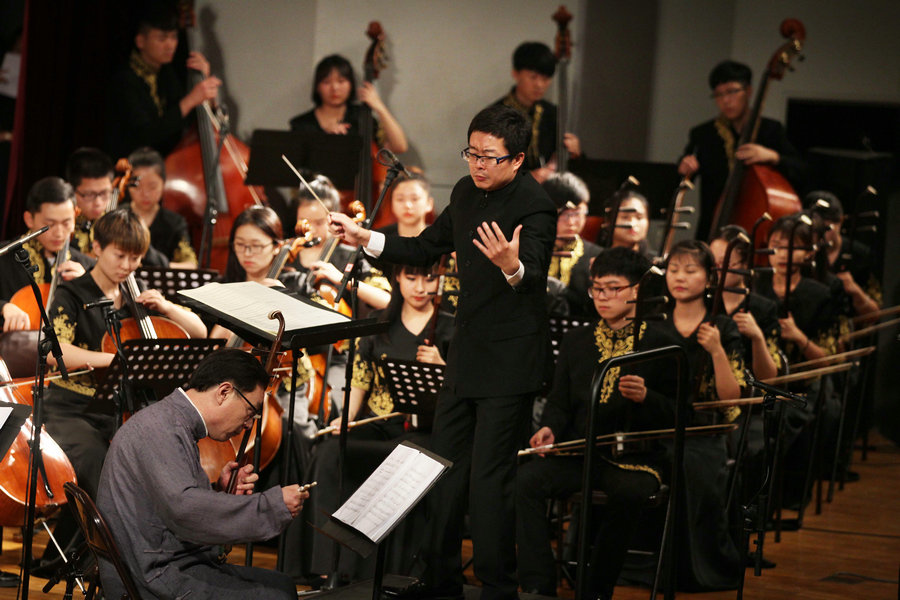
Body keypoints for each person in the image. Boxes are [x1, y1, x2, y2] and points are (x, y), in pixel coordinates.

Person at [329, 104, 556, 600]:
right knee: (440, 472)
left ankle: (498, 587)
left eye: (489, 157)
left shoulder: (536, 204)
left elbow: (532, 275)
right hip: (469, 355)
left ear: (516, 160)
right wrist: (367, 238)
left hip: (511, 364)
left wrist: (512, 265)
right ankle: (441, 582)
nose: (477, 164)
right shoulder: (464, 192)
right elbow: (425, 246)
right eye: (471, 152)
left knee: (489, 483)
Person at [517, 247, 677, 600]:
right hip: (580, 452)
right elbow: (559, 401)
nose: (603, 298)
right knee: (525, 481)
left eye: (613, 288)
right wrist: (551, 429)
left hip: (633, 456)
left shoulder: (662, 343)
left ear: (636, 290)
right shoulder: (577, 339)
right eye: (597, 289)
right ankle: (538, 584)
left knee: (631, 491)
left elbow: (681, 413)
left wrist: (647, 397)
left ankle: (596, 589)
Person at [96, 348, 308, 599]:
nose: (249, 424)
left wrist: (220, 490)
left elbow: (169, 500)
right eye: (250, 411)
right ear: (224, 392)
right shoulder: (161, 428)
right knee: (277, 596)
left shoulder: (170, 420)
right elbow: (184, 510)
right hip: (152, 576)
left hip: (159, 559)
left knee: (283, 584)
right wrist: (271, 505)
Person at [306, 262, 454, 582]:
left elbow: (461, 394)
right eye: (411, 277)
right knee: (331, 450)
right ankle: (329, 565)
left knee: (406, 454)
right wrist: (343, 419)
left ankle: (385, 570)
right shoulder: (377, 324)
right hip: (376, 421)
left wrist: (442, 367)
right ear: (398, 278)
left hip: (424, 431)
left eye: (428, 279)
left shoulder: (450, 327)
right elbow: (359, 384)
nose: (419, 287)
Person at [661, 240, 745, 591]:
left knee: (691, 466)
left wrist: (716, 351)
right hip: (658, 427)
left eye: (691, 270)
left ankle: (699, 568)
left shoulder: (722, 327)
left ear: (709, 278)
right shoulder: (655, 323)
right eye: (674, 269)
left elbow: (733, 397)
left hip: (704, 432)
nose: (680, 277)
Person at [677, 60, 805, 239]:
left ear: (749, 91)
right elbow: (680, 180)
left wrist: (773, 156)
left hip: (755, 231)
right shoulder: (703, 134)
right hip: (712, 228)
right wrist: (684, 168)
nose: (726, 100)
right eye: (719, 95)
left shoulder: (770, 130)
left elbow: (801, 170)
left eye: (732, 91)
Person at [105, 5, 222, 159]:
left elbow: (188, 122)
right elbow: (146, 135)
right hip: (131, 168)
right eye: (162, 38)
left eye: (174, 37)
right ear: (140, 41)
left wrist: (209, 93)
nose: (170, 45)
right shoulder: (124, 80)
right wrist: (191, 99)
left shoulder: (167, 74)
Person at [0, 177, 93, 331]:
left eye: (66, 222)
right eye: (49, 225)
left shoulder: (86, 265)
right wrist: (3, 307)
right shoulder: (4, 257)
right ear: (29, 219)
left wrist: (87, 285)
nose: (59, 233)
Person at [492, 42, 582, 182]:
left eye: (545, 79)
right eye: (533, 77)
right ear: (515, 73)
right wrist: (529, 178)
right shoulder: (496, 114)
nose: (540, 85)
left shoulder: (552, 113)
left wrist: (575, 154)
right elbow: (491, 164)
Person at [289, 54, 407, 153]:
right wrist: (324, 139)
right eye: (326, 82)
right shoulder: (301, 124)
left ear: (351, 84)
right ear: (317, 87)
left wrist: (379, 106)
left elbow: (399, 147)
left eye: (341, 81)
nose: (335, 88)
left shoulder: (363, 117)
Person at [709, 225, 780, 380]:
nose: (717, 270)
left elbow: (769, 377)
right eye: (713, 264)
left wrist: (757, 337)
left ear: (745, 264)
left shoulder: (764, 308)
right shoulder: (703, 300)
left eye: (725, 264)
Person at [123, 146, 198, 268]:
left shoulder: (174, 223)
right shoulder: (117, 216)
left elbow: (190, 265)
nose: (145, 194)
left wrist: (162, 264)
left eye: (152, 187)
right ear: (127, 184)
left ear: (163, 184)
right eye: (137, 187)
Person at [543, 172, 600, 317]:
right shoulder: (527, 250)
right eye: (562, 213)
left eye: (577, 213)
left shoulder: (598, 256)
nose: (571, 222)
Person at [65, 147, 115, 255]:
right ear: (71, 190)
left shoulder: (114, 225)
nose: (98, 202)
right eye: (89, 195)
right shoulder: (61, 227)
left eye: (104, 193)